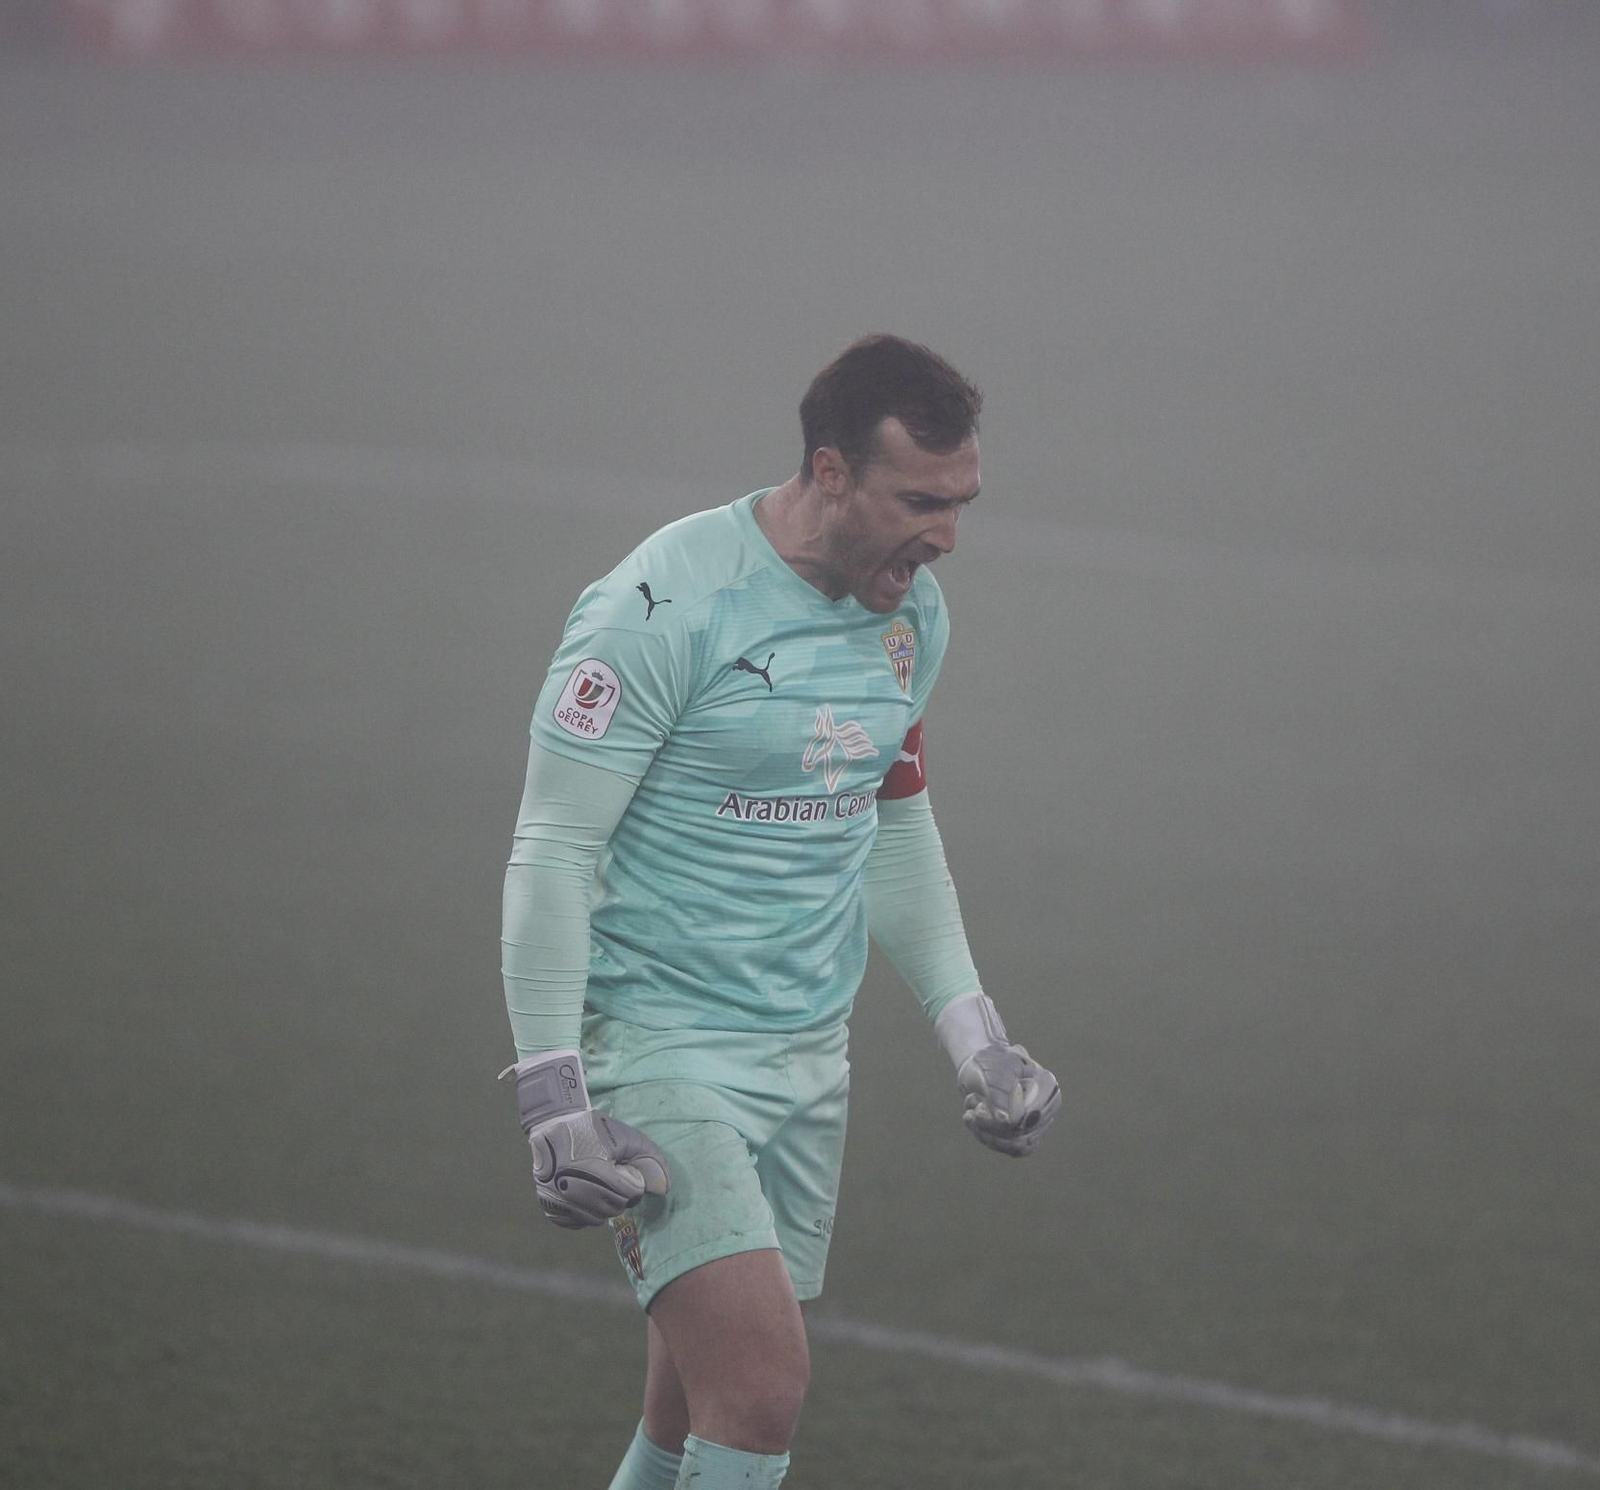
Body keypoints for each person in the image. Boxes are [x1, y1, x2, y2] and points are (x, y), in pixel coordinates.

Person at [500, 334, 1061, 1490]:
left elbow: (889, 824)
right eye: (920, 500)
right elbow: (555, 847)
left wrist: (977, 1034)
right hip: (655, 1049)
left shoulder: (910, 620)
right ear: (830, 469)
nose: (946, 536)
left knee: (685, 1415)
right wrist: (554, 1091)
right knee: (758, 1390)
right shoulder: (660, 605)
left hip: (807, 1057)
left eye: (961, 504)